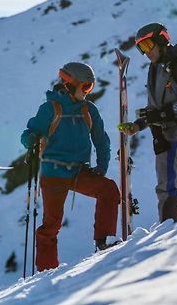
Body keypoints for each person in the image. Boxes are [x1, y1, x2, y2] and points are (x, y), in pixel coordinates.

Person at [21, 62, 120, 271]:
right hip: (54, 173)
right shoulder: (50, 109)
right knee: (52, 224)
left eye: (90, 88)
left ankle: (103, 242)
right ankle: (46, 272)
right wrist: (31, 139)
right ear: (69, 84)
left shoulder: (89, 110)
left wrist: (101, 168)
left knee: (109, 190)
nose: (87, 92)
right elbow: (27, 133)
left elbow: (102, 141)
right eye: (85, 87)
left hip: (79, 170)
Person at [119, 23, 177, 223]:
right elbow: (154, 108)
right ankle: (168, 220)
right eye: (141, 48)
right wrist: (139, 125)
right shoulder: (154, 70)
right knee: (164, 176)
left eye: (148, 45)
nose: (146, 52)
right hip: (163, 129)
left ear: (160, 40)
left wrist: (163, 114)